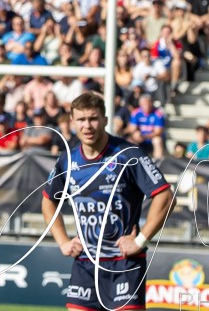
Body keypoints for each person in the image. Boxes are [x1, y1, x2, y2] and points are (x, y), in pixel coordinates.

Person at [40, 92, 175, 311]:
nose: (88, 126)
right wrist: (63, 241)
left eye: (93, 118)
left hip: (124, 263)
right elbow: (48, 201)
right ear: (72, 122)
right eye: (81, 120)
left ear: (105, 120)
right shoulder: (67, 160)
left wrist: (140, 241)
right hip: (85, 263)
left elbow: (165, 196)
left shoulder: (127, 154)